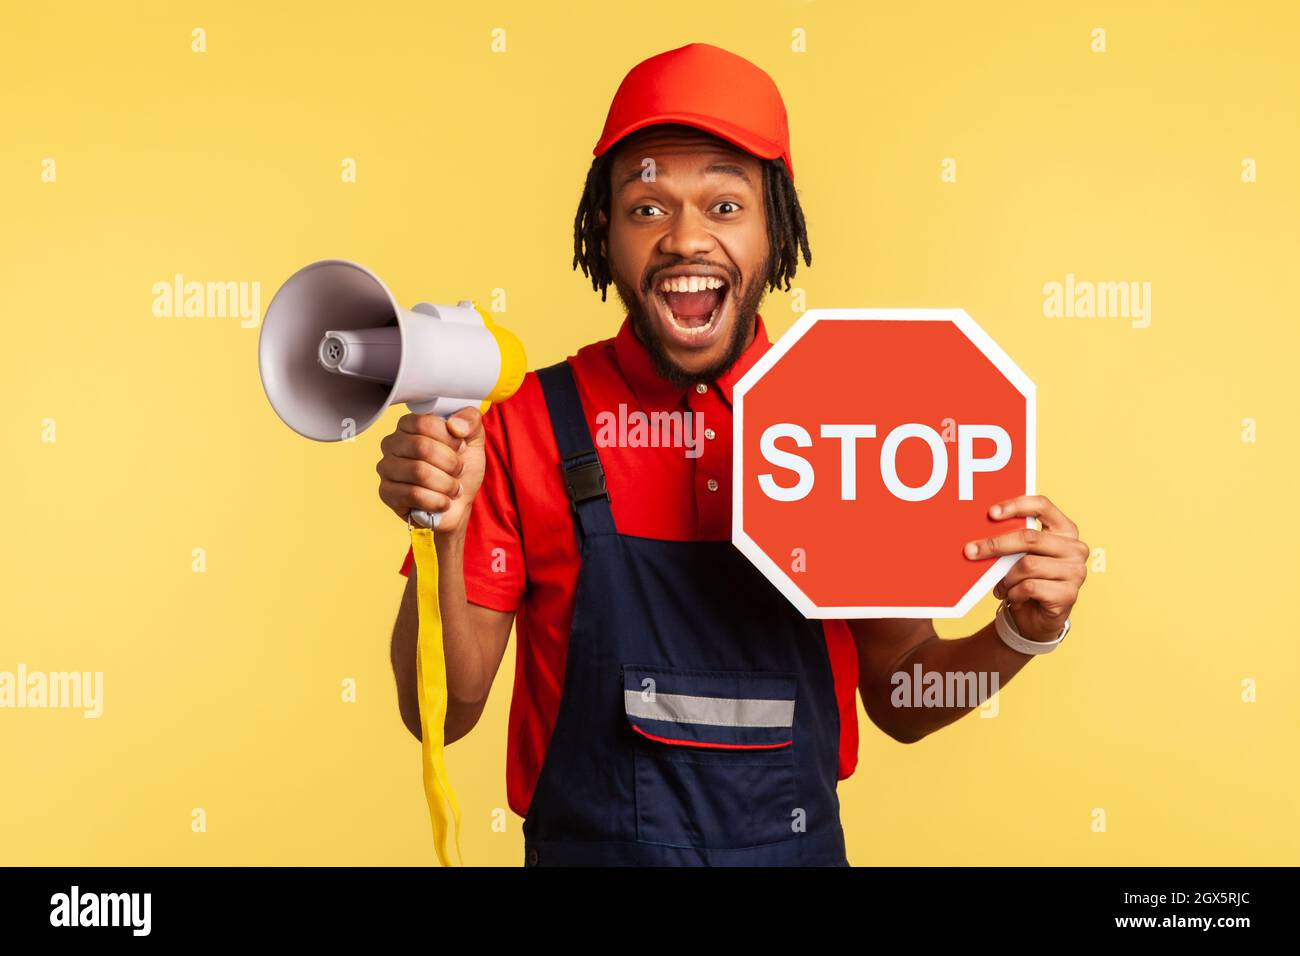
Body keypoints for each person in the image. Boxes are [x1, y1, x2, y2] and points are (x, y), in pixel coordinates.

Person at [376, 43, 1088, 866]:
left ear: (773, 229)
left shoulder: (855, 421)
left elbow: (905, 698)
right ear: (602, 231)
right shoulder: (523, 422)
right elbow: (446, 711)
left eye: (724, 205)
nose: (685, 240)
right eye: (647, 206)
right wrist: (444, 526)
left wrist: (1022, 635)